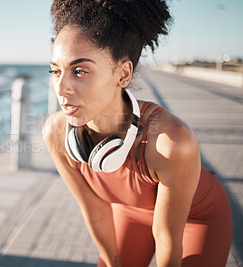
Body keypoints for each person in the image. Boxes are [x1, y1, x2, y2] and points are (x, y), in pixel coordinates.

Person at [42, 0, 233, 266]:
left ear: (122, 74)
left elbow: (167, 237)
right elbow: (95, 211)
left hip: (197, 216)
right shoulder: (56, 133)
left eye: (80, 71)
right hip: (130, 214)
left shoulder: (170, 141)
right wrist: (111, 262)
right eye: (56, 70)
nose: (61, 88)